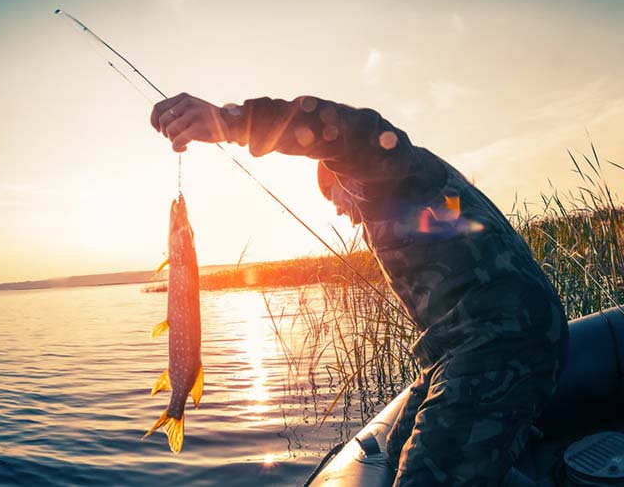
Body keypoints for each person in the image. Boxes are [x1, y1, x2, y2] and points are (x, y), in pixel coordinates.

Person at [149, 93, 569, 486]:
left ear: (349, 172)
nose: (338, 210)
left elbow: (346, 130)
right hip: (460, 347)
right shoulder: (407, 200)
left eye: (334, 194)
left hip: (502, 338)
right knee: (398, 442)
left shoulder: (391, 166)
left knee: (425, 474)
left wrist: (230, 122)